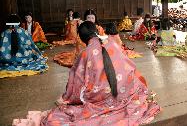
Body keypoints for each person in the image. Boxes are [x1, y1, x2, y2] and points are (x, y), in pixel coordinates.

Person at [13, 21, 160, 125]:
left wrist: (67, 98)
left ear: (82, 38)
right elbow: (129, 66)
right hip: (124, 91)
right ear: (96, 31)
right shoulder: (112, 43)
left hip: (100, 96)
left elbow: (76, 84)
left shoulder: (85, 53)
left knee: (61, 112)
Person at [0, 14, 48, 78]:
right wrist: (37, 52)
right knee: (30, 51)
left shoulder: (4, 33)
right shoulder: (23, 31)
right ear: (19, 22)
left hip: (5, 59)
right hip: (23, 58)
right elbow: (31, 45)